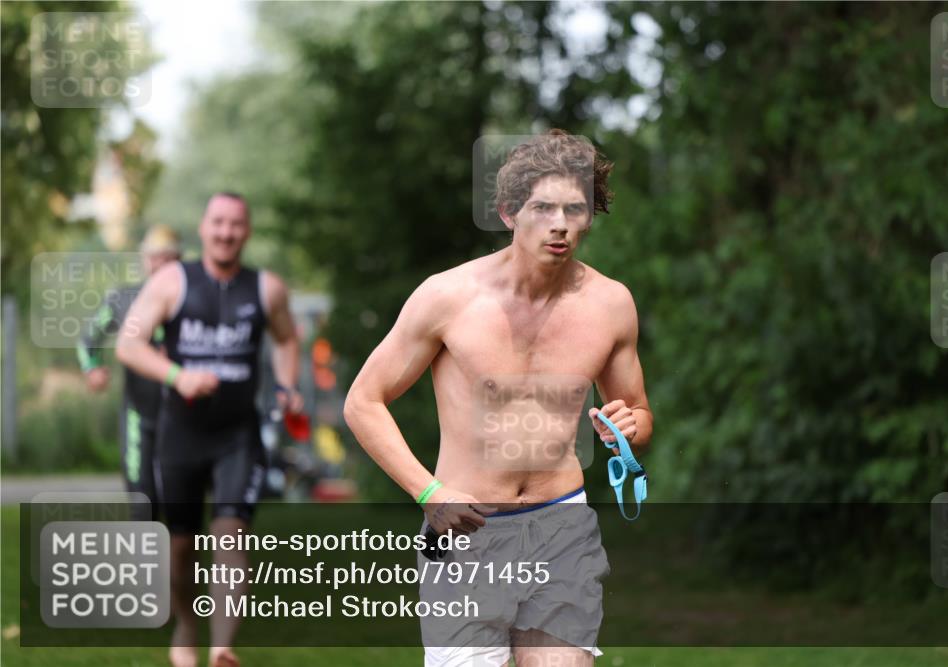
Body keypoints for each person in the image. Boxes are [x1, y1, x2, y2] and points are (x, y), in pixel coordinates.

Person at [345, 130, 653, 666]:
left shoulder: (610, 305)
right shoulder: (448, 297)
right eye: (543, 207)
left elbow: (639, 414)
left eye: (574, 209)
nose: (559, 224)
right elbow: (364, 401)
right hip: (468, 532)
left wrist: (630, 428)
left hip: (561, 527)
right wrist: (429, 494)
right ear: (510, 213)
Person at [116, 192, 302, 667]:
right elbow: (129, 345)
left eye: (236, 224)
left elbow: (286, 338)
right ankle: (185, 626)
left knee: (230, 533)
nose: (226, 232)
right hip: (179, 434)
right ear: (203, 228)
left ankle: (222, 647)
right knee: (180, 545)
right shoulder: (172, 281)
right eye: (218, 223)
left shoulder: (267, 289)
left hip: (237, 436)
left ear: (247, 231)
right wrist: (179, 377)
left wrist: (285, 384)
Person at [77, 224, 181, 521]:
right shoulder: (123, 299)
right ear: (144, 260)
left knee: (180, 506)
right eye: (154, 257)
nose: (160, 264)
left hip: (183, 419)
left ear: (179, 260)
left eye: (167, 257)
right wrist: (92, 368)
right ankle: (146, 566)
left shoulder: (192, 299)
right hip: (139, 416)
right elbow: (88, 338)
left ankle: (181, 567)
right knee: (142, 502)